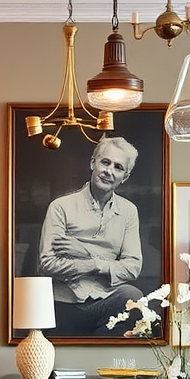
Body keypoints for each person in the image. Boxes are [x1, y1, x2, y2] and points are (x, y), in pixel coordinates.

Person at [38, 136, 144, 337]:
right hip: (63, 303)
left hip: (107, 300)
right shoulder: (61, 207)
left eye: (118, 167)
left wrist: (88, 258)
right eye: (105, 162)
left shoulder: (129, 211)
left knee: (133, 296)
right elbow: (48, 263)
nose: (109, 171)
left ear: (125, 176)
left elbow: (132, 267)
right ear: (92, 163)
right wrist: (107, 264)